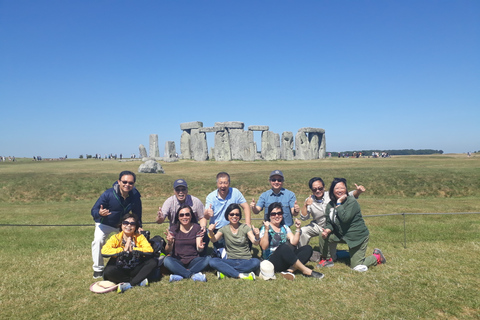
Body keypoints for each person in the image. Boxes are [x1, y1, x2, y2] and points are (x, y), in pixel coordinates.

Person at [299, 177, 365, 268]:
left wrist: (358, 192)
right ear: (311, 190)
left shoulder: (331, 195)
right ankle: (300, 254)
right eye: (314, 189)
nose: (318, 191)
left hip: (333, 226)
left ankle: (341, 254)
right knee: (303, 231)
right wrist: (305, 205)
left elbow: (348, 195)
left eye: (320, 188)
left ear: (324, 187)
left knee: (333, 257)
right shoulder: (309, 199)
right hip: (318, 224)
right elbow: (304, 217)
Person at [322, 178, 386, 271]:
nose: (339, 190)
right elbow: (329, 222)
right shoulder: (330, 205)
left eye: (342, 188)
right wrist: (327, 230)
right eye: (336, 188)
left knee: (356, 266)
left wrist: (339, 204)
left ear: (346, 189)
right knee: (322, 235)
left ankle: (377, 257)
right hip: (342, 235)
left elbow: (345, 219)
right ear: (332, 190)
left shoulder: (351, 202)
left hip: (356, 237)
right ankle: (328, 259)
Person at [91, 171, 142, 279]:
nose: (127, 185)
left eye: (130, 183)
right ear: (119, 182)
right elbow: (94, 210)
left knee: (132, 241)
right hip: (105, 223)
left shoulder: (135, 194)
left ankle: (126, 265)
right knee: (98, 240)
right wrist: (99, 213)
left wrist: (139, 225)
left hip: (124, 225)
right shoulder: (108, 194)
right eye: (124, 182)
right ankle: (98, 269)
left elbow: (137, 211)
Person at [259, 202, 324, 280]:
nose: (277, 216)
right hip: (272, 262)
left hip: (286, 259)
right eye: (273, 214)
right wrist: (266, 230)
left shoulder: (284, 227)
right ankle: (306, 270)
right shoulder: (264, 228)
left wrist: (298, 229)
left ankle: (289, 271)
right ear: (269, 216)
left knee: (307, 248)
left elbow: (294, 242)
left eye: (279, 213)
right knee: (283, 248)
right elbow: (264, 247)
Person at [101, 213, 156, 293]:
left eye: (132, 224)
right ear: (121, 225)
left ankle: (130, 284)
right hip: (121, 268)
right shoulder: (115, 238)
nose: (129, 226)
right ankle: (138, 281)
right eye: (126, 223)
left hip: (136, 267)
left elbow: (149, 250)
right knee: (108, 271)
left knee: (153, 262)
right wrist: (123, 249)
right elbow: (104, 251)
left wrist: (133, 249)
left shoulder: (139, 237)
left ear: (136, 227)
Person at [208, 203, 261, 280]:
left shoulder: (245, 228)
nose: (234, 216)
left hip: (246, 260)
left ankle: (227, 271)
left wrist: (257, 236)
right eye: (232, 214)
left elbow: (255, 242)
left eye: (237, 214)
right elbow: (213, 240)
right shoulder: (224, 229)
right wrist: (210, 232)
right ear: (227, 215)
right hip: (230, 260)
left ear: (240, 216)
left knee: (256, 262)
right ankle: (241, 275)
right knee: (212, 261)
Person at [205, 172, 251, 250]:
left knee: (249, 232)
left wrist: (248, 223)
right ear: (217, 184)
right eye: (220, 183)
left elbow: (246, 206)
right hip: (218, 229)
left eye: (225, 183)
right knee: (222, 255)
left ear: (229, 183)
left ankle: (246, 254)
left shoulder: (235, 192)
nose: (223, 186)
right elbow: (205, 215)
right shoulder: (211, 197)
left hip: (234, 227)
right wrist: (208, 213)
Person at [163, 204, 210, 282]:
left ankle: (180, 274)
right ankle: (191, 275)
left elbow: (199, 249)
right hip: (178, 260)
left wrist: (200, 247)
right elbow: (167, 250)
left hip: (193, 260)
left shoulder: (196, 227)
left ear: (191, 216)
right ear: (178, 217)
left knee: (208, 259)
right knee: (167, 260)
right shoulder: (173, 229)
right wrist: (170, 243)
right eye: (181, 215)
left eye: (187, 214)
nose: (184, 217)